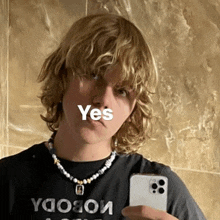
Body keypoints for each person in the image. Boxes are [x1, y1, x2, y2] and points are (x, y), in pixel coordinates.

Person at [0, 13, 206, 220]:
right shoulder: (8, 178)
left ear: (133, 108)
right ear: (63, 75)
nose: (103, 100)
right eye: (93, 75)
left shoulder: (158, 184)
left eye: (122, 91)